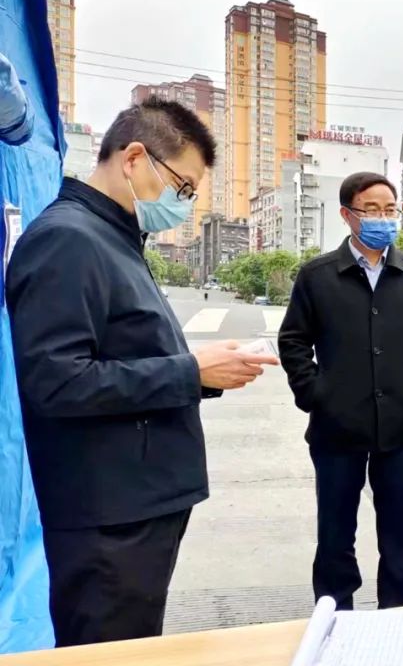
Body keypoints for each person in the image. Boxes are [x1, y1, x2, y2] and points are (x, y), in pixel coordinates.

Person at [5, 97, 278, 647]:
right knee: (108, 650)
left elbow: (125, 352)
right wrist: (190, 371)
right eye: (182, 187)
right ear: (133, 158)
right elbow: (58, 382)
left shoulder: (113, 237)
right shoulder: (68, 239)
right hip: (109, 519)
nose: (184, 205)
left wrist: (203, 370)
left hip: (136, 506)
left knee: (133, 645)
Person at [279, 172, 403, 610]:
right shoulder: (318, 276)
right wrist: (315, 394)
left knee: (402, 536)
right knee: (335, 536)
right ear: (347, 215)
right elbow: (293, 340)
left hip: (401, 427)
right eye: (371, 210)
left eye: (390, 210)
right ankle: (336, 622)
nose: (383, 218)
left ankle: (401, 622)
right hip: (337, 429)